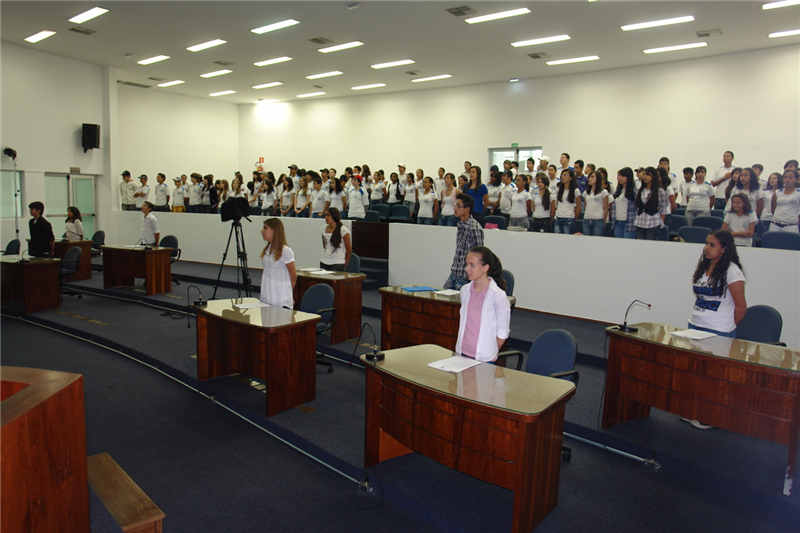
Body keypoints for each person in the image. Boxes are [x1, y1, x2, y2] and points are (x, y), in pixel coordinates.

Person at [454, 246, 511, 363]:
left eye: (472, 265)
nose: (467, 269)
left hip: (484, 358)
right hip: (462, 352)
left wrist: (489, 352)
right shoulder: (465, 290)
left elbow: (502, 333)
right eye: (467, 264)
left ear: (485, 267)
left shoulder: (498, 296)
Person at [689, 229, 746, 338]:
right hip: (695, 324)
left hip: (719, 329)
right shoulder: (703, 268)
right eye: (706, 243)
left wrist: (726, 324)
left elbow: (741, 308)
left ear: (724, 249)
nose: (707, 247)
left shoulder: (732, 271)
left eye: (712, 245)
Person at [444, 194, 484, 290]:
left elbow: (480, 256)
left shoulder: (475, 228)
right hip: (454, 273)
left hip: (466, 277)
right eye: (455, 205)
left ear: (467, 209)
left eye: (458, 206)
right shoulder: (460, 225)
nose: (455, 208)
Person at [259, 218, 297, 309]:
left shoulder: (285, 251)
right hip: (267, 297)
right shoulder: (268, 250)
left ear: (274, 230)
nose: (261, 231)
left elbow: (293, 277)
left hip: (280, 299)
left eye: (265, 228)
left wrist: (287, 294)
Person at [633, 166, 668, 240]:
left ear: (653, 176)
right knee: (640, 245)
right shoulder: (640, 190)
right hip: (640, 221)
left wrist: (660, 223)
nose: (645, 177)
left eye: (648, 174)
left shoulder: (660, 191)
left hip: (653, 222)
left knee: (650, 245)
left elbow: (663, 209)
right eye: (644, 174)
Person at [552, 168, 581, 234]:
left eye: (565, 175)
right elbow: (557, 203)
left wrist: (573, 218)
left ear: (571, 178)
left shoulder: (575, 191)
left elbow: (579, 208)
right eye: (562, 175)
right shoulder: (558, 190)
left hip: (569, 218)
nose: (562, 177)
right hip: (558, 217)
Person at [582, 171, 609, 236]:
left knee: (596, 241)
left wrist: (604, 222)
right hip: (587, 220)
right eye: (589, 177)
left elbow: (606, 209)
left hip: (598, 220)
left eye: (592, 177)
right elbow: (586, 206)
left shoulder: (603, 192)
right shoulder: (586, 193)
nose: (589, 179)